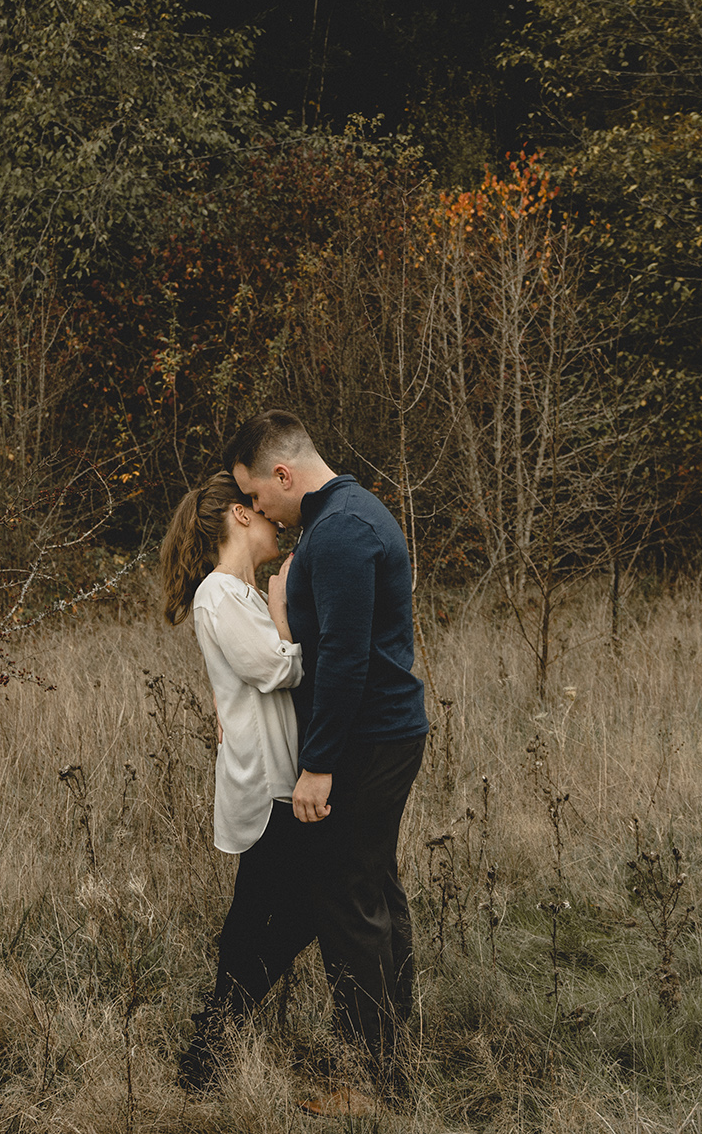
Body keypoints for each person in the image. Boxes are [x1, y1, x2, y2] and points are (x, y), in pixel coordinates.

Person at [224, 410, 429, 1110]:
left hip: (366, 740)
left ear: (283, 474)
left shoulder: (341, 530)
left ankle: (376, 1082)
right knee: (371, 889)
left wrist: (318, 765)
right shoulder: (346, 515)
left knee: (346, 898)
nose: (257, 510)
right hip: (380, 734)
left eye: (255, 495)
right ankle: (396, 1057)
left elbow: (344, 658)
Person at [158, 471, 315, 1092]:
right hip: (265, 781)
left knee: (259, 912)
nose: (277, 517)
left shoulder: (239, 596)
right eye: (262, 509)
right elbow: (278, 668)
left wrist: (274, 611)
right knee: (287, 909)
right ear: (240, 517)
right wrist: (284, 616)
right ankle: (214, 1038)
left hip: (278, 774)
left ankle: (212, 1040)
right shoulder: (220, 594)